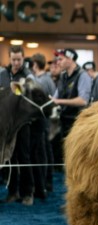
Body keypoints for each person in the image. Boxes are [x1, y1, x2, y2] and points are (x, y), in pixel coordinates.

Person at [0, 45, 36, 205]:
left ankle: (28, 193)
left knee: (24, 156)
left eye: (19, 59)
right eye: (13, 59)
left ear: (23, 58)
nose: (16, 62)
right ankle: (13, 192)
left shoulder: (29, 76)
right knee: (9, 157)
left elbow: (30, 98)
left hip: (22, 123)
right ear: (9, 58)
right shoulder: (2, 74)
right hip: (6, 125)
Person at [52, 48, 91, 168]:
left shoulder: (82, 75)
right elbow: (55, 97)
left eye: (60, 59)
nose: (57, 62)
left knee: (78, 157)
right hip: (64, 121)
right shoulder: (63, 77)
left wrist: (59, 101)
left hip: (78, 122)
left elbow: (83, 100)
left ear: (70, 59)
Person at [30, 53, 56, 197]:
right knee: (43, 151)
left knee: (44, 151)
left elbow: (52, 99)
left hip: (42, 120)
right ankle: (44, 182)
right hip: (37, 120)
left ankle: (47, 182)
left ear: (35, 64)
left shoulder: (45, 80)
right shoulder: (42, 79)